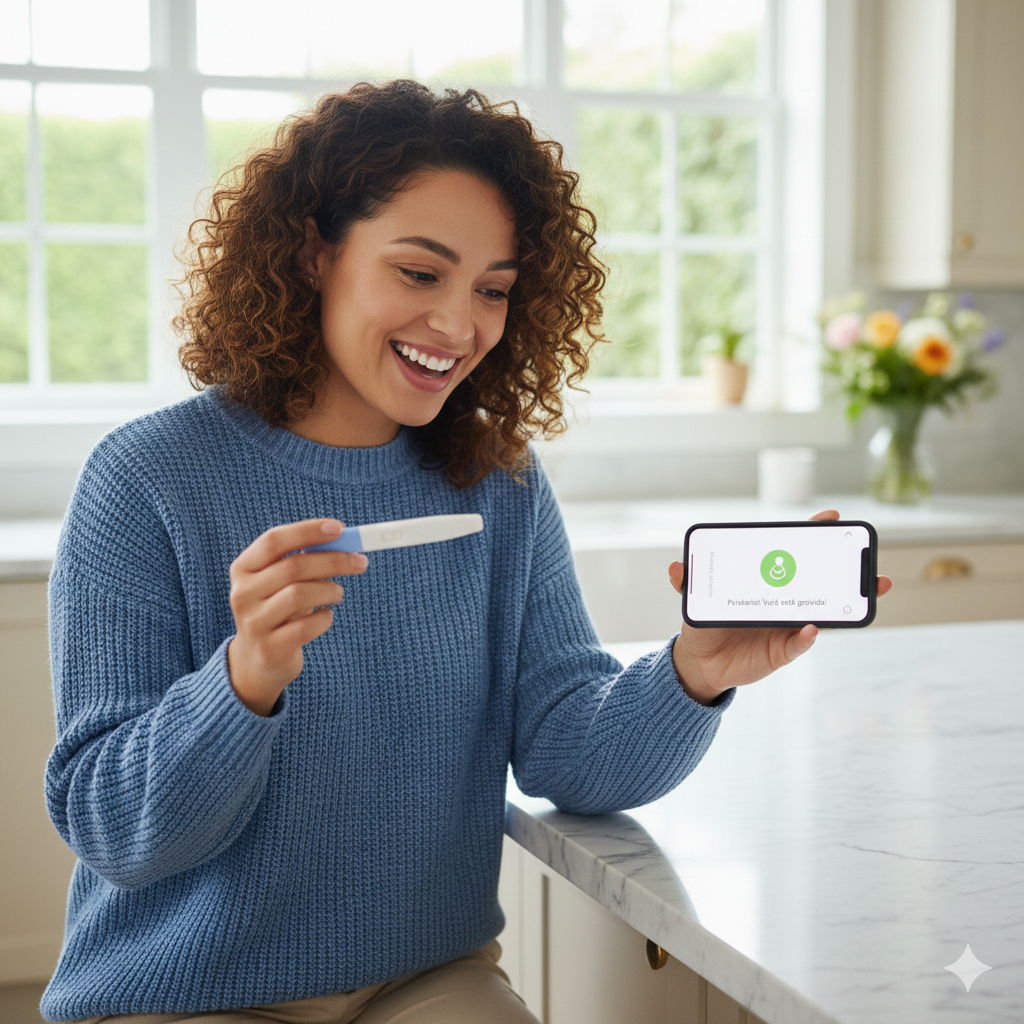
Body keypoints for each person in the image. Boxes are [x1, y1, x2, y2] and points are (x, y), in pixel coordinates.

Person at [41, 80, 891, 1024]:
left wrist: (692, 673)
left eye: (492, 289)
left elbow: (569, 755)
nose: (459, 325)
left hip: (426, 977)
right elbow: (111, 827)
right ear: (315, 253)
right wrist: (242, 682)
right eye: (418, 273)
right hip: (185, 992)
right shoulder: (148, 478)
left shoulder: (496, 477)